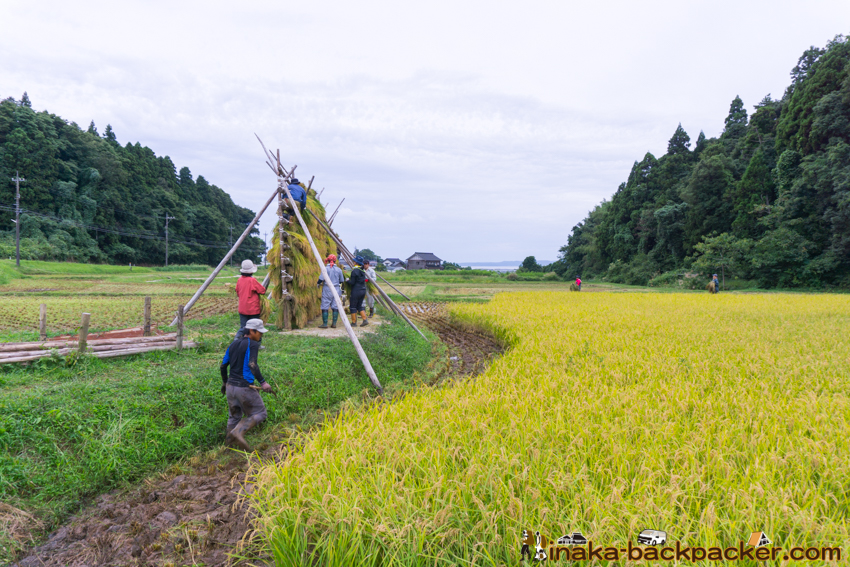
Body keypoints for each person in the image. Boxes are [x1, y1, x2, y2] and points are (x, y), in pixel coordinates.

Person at [220, 318, 271, 451]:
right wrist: (263, 382)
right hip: (244, 387)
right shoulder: (252, 344)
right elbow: (252, 364)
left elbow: (223, 365)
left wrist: (225, 383)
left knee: (234, 416)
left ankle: (229, 446)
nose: (261, 335)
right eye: (260, 332)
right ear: (252, 331)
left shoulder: (233, 344)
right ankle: (238, 432)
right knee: (260, 413)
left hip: (231, 387)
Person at [236, 259, 266, 329]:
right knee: (255, 329)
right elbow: (262, 291)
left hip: (242, 308)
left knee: (243, 328)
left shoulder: (239, 280)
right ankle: (255, 340)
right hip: (253, 309)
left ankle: (238, 339)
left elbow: (238, 293)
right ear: (251, 271)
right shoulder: (252, 280)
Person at [318, 254, 345, 328]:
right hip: (336, 289)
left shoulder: (325, 269)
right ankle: (334, 324)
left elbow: (320, 279)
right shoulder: (339, 270)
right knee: (335, 306)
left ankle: (325, 324)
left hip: (327, 289)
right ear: (335, 260)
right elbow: (342, 280)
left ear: (328, 260)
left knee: (325, 306)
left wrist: (318, 283)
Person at [347, 256, 370, 327]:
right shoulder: (362, 270)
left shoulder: (355, 271)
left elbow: (352, 283)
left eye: (354, 261)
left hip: (356, 291)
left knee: (353, 306)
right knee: (359, 305)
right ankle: (365, 319)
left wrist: (347, 281)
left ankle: (354, 323)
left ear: (356, 262)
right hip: (363, 290)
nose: (353, 262)